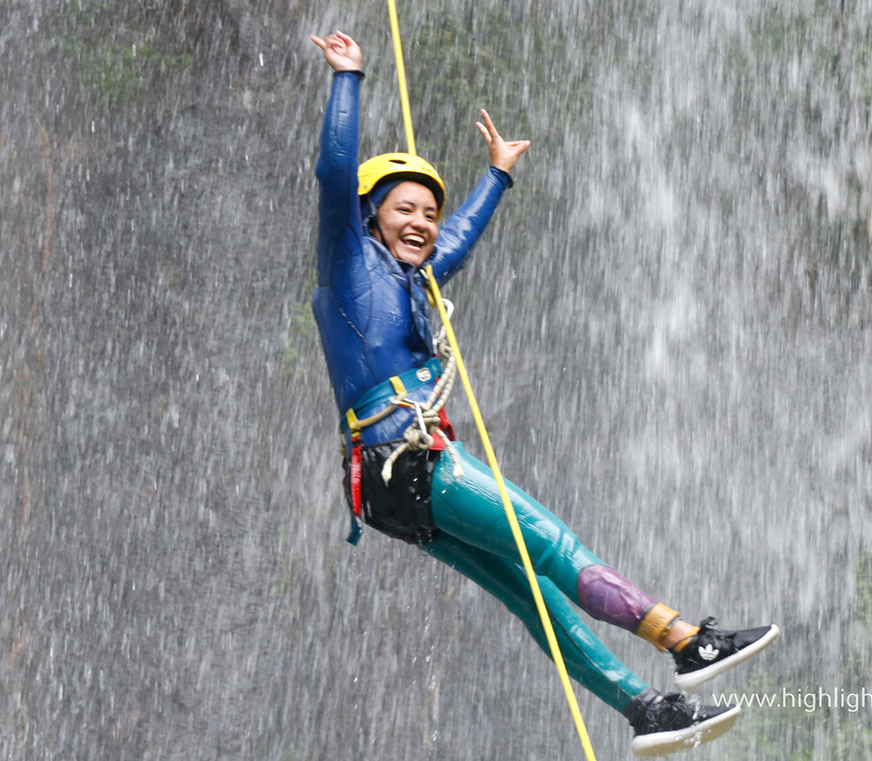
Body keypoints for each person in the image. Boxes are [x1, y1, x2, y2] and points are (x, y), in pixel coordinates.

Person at [309, 30, 779, 756]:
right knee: (550, 542)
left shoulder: (413, 280)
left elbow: (455, 241)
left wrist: (495, 176)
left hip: (385, 488)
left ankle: (646, 709)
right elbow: (336, 169)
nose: (422, 223)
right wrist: (350, 78)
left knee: (533, 593)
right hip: (406, 461)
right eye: (405, 209)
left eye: (427, 214)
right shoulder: (348, 263)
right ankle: (687, 642)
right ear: (371, 213)